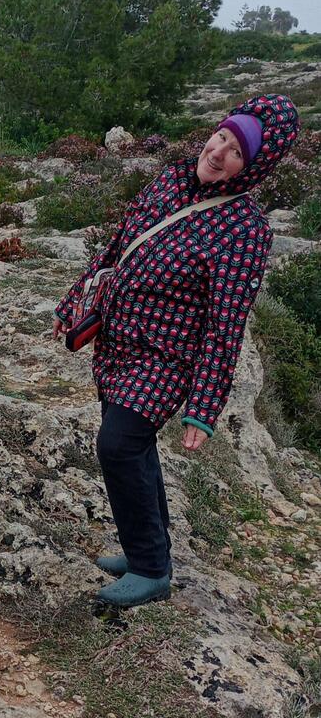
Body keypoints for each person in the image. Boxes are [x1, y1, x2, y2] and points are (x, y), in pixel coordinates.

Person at [54, 94, 299, 607]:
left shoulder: (245, 232)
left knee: (118, 445)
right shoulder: (170, 179)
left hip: (166, 358)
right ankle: (148, 546)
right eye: (221, 138)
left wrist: (204, 409)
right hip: (118, 342)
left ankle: (150, 569)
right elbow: (118, 246)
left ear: (251, 168)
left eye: (236, 153)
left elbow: (225, 326)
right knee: (133, 448)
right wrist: (74, 301)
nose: (219, 153)